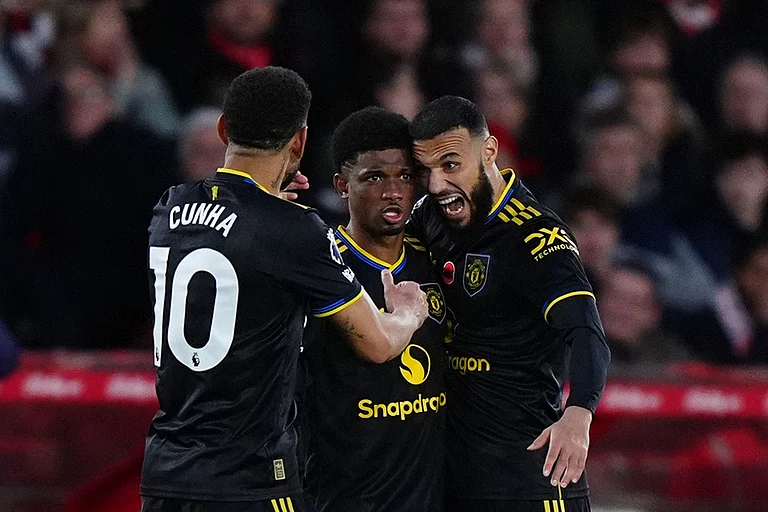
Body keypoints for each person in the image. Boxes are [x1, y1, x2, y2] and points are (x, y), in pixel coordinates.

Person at [140, 67, 428, 512]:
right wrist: (408, 312)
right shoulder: (294, 233)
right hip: (250, 480)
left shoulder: (168, 208)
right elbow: (378, 344)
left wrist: (270, 210)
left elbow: (233, 236)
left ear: (223, 129)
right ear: (300, 141)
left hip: (165, 478)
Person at [407, 96, 610, 512]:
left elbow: (586, 331)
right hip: (454, 476)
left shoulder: (534, 237)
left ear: (489, 152)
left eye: (450, 165)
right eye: (425, 171)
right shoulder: (429, 216)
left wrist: (579, 414)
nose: (436, 185)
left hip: (529, 476)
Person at [302, 107, 446, 512]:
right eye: (374, 177)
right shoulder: (320, 265)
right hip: (341, 499)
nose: (393, 191)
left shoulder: (434, 261)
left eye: (404, 175)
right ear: (341, 185)